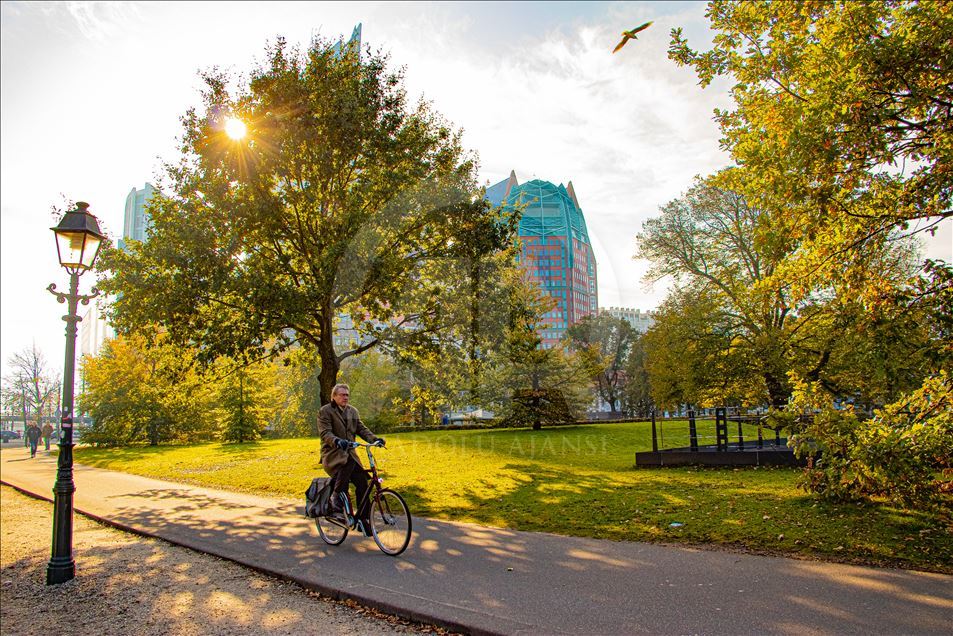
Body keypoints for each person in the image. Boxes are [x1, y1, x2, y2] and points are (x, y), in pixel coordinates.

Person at [318, 383, 385, 536]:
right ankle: (336, 498)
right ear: (334, 396)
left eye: (347, 395)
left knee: (363, 483)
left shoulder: (352, 411)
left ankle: (363, 520)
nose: (345, 397)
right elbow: (325, 433)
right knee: (347, 463)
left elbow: (361, 429)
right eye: (342, 395)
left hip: (350, 455)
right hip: (333, 455)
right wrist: (337, 441)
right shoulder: (325, 411)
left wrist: (375, 439)